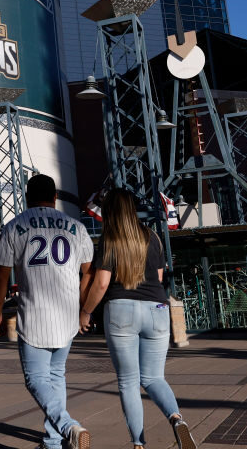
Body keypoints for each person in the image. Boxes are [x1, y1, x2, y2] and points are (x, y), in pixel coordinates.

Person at [79, 188, 197, 449]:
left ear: (110, 212)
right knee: (154, 378)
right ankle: (177, 419)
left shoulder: (109, 239)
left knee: (129, 382)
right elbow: (157, 277)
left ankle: (139, 443)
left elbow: (101, 283)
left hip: (121, 309)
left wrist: (85, 312)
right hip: (156, 308)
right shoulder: (152, 237)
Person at [0, 173, 94, 449]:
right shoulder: (76, 227)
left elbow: (1, 274)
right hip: (67, 314)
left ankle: (67, 426)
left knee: (36, 378)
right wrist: (84, 307)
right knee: (56, 375)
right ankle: (53, 442)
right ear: (55, 197)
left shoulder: (14, 226)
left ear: (26, 196)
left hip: (34, 313)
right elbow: (88, 272)